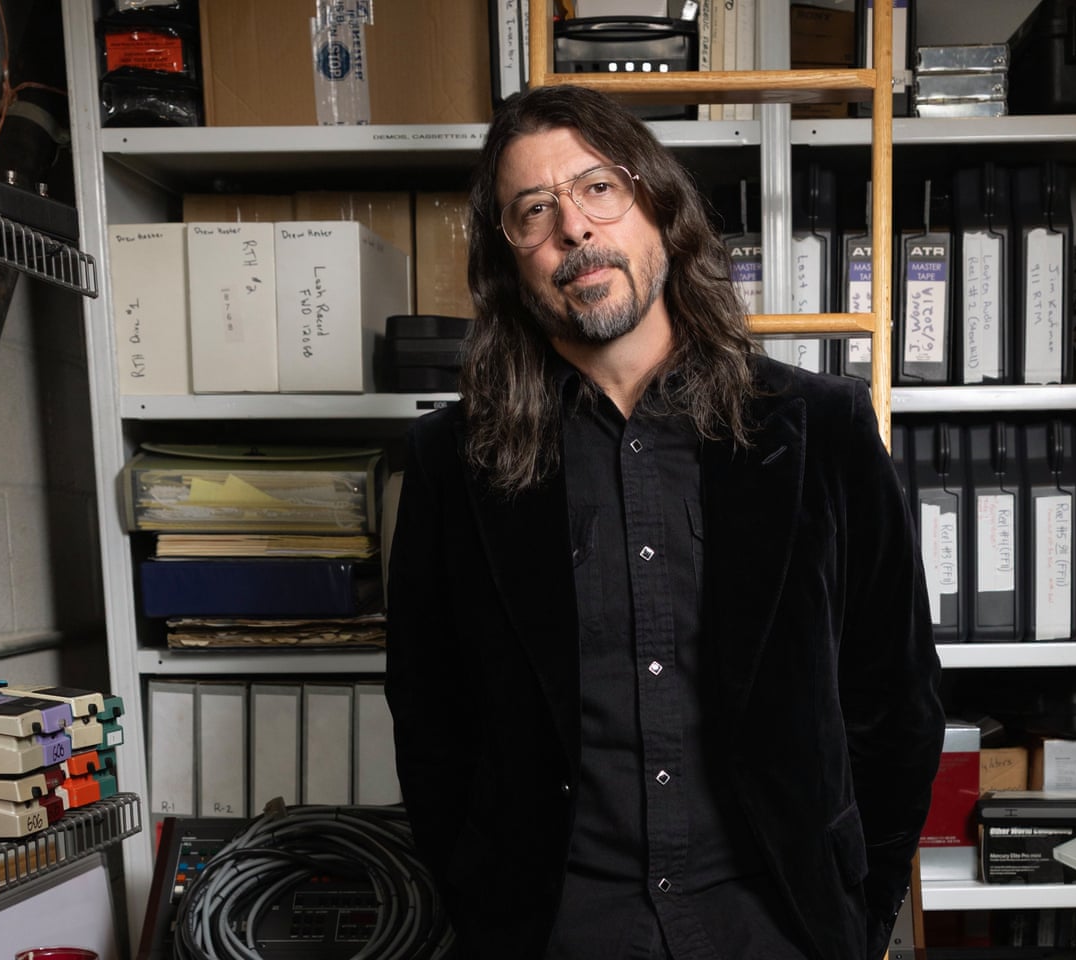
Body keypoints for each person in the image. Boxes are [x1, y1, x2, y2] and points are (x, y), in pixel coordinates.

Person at [384, 83, 944, 960]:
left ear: (659, 206)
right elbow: (429, 721)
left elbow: (897, 702)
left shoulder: (821, 431)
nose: (573, 228)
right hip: (560, 933)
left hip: (781, 925)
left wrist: (854, 911)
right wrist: (483, 906)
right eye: (534, 210)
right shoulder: (449, 465)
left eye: (598, 188)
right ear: (509, 262)